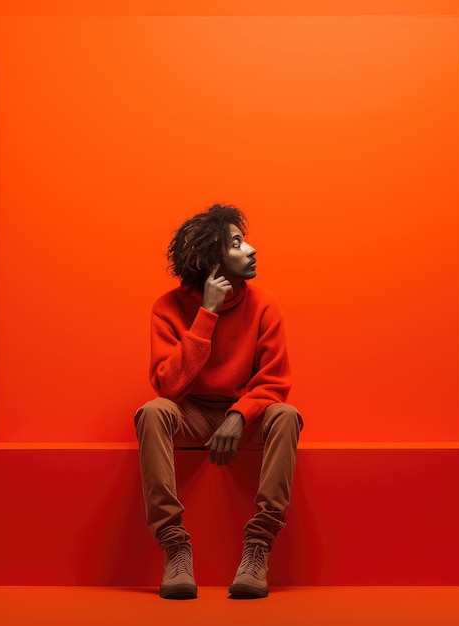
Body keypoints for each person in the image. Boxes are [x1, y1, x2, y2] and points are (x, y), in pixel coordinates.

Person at [134, 204, 303, 599]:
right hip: (190, 414)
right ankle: (175, 545)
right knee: (152, 412)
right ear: (212, 259)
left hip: (244, 418)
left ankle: (259, 545)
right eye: (237, 244)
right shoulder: (167, 307)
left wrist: (240, 415)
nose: (252, 250)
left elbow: (275, 383)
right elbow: (168, 386)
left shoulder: (265, 304)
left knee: (287, 415)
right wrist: (206, 313)